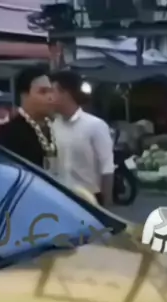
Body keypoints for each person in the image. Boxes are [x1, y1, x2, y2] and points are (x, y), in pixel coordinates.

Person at [50, 70, 114, 205]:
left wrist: (106, 206)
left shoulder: (95, 125)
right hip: (59, 197)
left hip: (89, 199)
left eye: (52, 91)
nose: (49, 97)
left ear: (65, 93)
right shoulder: (53, 125)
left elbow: (107, 168)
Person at [0, 66, 55, 169]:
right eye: (43, 92)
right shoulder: (8, 134)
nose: (50, 97)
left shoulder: (56, 128)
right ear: (24, 95)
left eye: (51, 91)